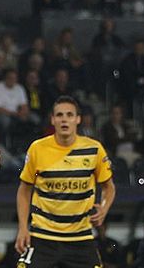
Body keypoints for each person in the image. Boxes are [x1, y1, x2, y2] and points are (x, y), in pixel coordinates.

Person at [15, 95, 116, 268]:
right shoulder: (38, 149)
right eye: (60, 115)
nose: (64, 120)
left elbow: (109, 187)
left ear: (78, 119)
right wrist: (23, 228)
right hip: (43, 236)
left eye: (69, 115)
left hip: (80, 237)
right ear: (53, 120)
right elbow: (24, 190)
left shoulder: (94, 149)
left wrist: (104, 208)